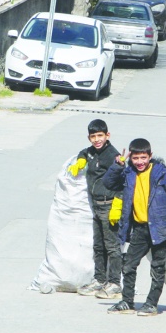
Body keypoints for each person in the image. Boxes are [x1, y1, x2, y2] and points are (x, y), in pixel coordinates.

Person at [102, 138, 166, 316]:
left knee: (157, 267)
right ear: (131, 157)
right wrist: (117, 166)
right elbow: (109, 184)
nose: (140, 162)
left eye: (143, 158)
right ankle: (127, 301)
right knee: (129, 265)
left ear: (150, 156)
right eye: (136, 158)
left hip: (160, 228)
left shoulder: (162, 174)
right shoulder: (129, 173)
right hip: (139, 229)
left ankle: (151, 304)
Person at [67, 119, 123, 299]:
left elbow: (123, 182)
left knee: (112, 247)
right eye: (93, 136)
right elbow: (83, 152)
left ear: (108, 135)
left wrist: (117, 205)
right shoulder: (90, 152)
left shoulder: (113, 156)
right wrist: (81, 161)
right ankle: (99, 279)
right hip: (96, 206)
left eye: (100, 136)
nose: (97, 140)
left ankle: (114, 283)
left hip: (109, 206)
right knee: (98, 246)